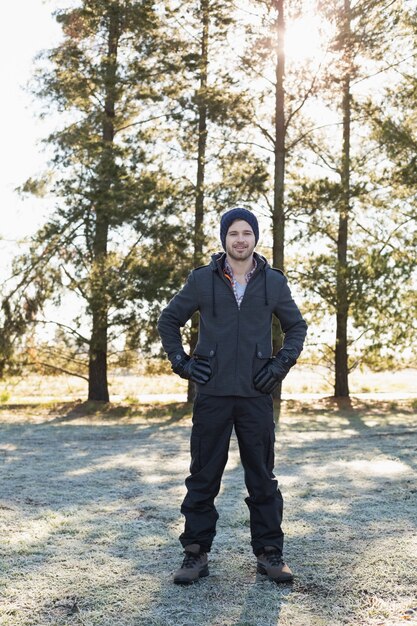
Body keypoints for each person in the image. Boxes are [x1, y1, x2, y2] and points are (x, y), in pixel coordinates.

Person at [157, 207, 307, 585]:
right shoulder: (202, 280)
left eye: (247, 233)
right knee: (203, 476)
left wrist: (278, 367)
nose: (240, 239)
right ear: (223, 238)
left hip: (256, 395)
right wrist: (184, 364)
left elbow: (297, 328)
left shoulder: (273, 282)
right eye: (233, 233)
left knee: (262, 478)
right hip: (213, 396)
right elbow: (168, 320)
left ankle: (270, 553)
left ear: (256, 238)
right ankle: (195, 554)